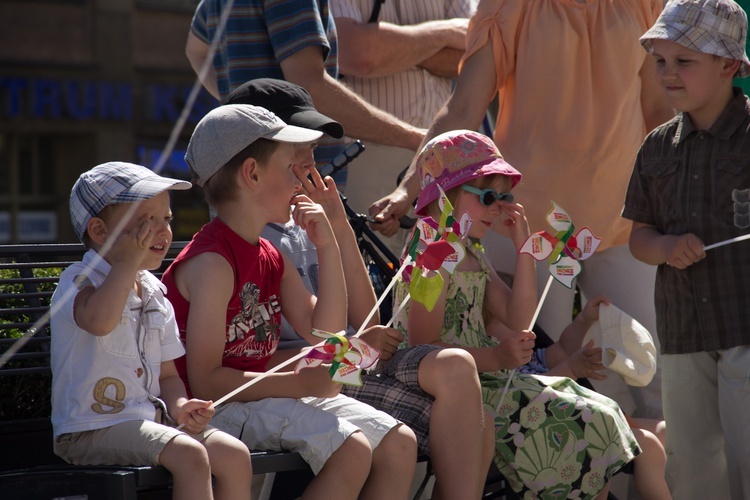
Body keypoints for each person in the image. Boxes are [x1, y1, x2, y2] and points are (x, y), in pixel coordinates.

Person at [369, 0, 676, 421]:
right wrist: (409, 190)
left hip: (625, 219)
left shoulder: (645, 3)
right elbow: (462, 110)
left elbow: (658, 111)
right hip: (528, 226)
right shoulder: (509, 6)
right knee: (542, 381)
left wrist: (672, 196)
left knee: (658, 372)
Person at [223, 78, 494, 499]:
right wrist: (350, 346)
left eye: (315, 148)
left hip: (342, 369)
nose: (313, 161)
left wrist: (340, 226)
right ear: (256, 160)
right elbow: (268, 350)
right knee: (454, 392)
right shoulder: (254, 237)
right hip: (314, 377)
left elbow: (367, 318)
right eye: (301, 147)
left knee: (479, 417)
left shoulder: (305, 220)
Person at [160, 104, 418, 499]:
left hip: (259, 395)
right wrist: (299, 383)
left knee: (399, 443)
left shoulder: (268, 252)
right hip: (216, 410)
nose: (301, 179)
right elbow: (207, 382)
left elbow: (324, 332)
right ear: (252, 174)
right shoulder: (213, 263)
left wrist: (327, 243)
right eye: (290, 168)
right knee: (351, 449)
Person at [392, 129, 640, 499]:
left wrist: (524, 249)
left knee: (601, 408)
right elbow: (423, 346)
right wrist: (494, 357)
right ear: (446, 195)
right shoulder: (432, 252)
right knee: (588, 418)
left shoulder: (472, 252)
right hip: (451, 387)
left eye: (504, 197)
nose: (498, 207)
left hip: (490, 378)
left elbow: (518, 317)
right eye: (488, 196)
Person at [50, 162, 253, 500]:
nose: (162, 231)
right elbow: (99, 321)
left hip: (150, 423)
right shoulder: (80, 280)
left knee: (234, 455)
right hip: (90, 430)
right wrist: (126, 263)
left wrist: (180, 406)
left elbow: (169, 376)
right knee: (190, 454)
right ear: (100, 232)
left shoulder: (154, 292)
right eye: (147, 221)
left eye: (166, 219)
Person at [623, 1, 750, 497]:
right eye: (660, 61)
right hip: (682, 334)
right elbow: (639, 238)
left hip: (745, 330)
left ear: (729, 66)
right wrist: (666, 245)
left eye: (685, 61)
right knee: (693, 469)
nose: (668, 74)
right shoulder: (655, 147)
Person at [184, 0, 425, 179]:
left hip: (246, 194)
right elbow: (312, 88)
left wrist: (240, 108)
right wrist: (415, 138)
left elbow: (195, 51)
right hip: (293, 199)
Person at [488, 296, 671, 500]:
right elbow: (530, 397)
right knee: (650, 446)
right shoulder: (498, 374)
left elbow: (564, 348)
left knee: (667, 433)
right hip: (557, 433)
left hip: (587, 420)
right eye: (508, 323)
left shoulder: (532, 357)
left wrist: (584, 319)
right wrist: (571, 368)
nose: (524, 329)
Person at [330, 0, 475, 253]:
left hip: (441, 161)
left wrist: (392, 49)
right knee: (372, 280)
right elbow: (358, 53)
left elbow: (474, 56)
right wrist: (447, 32)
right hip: (370, 155)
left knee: (436, 282)